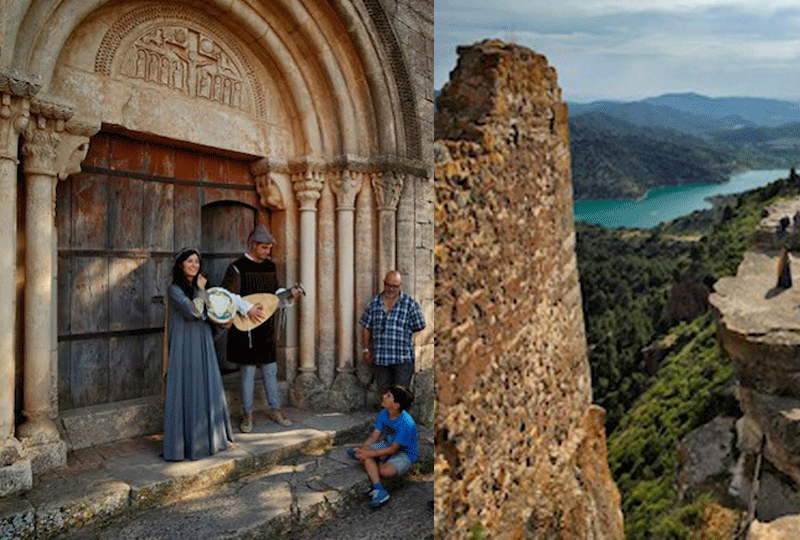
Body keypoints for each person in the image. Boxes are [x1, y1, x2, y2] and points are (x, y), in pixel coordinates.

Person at [162, 248, 252, 461]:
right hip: (184, 345)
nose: (195, 265)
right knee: (187, 387)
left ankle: (214, 440)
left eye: (197, 262)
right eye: (190, 261)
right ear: (181, 265)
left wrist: (224, 325)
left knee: (208, 386)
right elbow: (193, 311)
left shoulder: (205, 290)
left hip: (203, 343)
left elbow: (210, 316)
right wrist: (202, 290)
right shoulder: (174, 289)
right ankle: (185, 446)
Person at [222, 224, 301, 432]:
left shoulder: (269, 267)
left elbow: (274, 295)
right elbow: (227, 296)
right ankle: (246, 415)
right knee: (247, 373)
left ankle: (275, 409)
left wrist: (289, 294)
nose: (267, 252)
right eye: (264, 248)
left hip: (266, 327)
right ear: (254, 245)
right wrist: (246, 308)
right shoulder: (237, 267)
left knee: (270, 371)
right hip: (245, 328)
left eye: (269, 248)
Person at [348, 385, 418, 508]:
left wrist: (369, 454)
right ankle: (379, 489)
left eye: (389, 396)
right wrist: (364, 448)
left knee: (385, 471)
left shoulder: (406, 423)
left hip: (404, 453)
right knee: (364, 452)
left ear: (396, 405)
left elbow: (394, 449)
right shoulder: (384, 413)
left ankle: (377, 461)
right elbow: (375, 435)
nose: (384, 396)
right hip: (387, 444)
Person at [359, 270, 426, 395]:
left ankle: (400, 415)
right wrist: (366, 349)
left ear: (400, 286)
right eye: (388, 285)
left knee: (400, 395)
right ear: (384, 283)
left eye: (395, 286)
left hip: (402, 358)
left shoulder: (409, 304)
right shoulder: (374, 303)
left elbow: (420, 325)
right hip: (381, 358)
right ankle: (386, 415)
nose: (391, 289)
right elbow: (366, 327)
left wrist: (401, 333)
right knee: (385, 395)